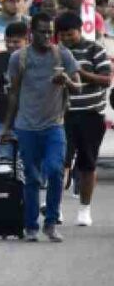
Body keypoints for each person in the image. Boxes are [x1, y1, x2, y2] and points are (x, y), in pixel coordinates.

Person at [2, 12, 81, 242]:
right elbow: (14, 94)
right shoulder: (19, 58)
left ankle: (51, 222)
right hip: (26, 127)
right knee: (32, 177)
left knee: (56, 170)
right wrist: (7, 126)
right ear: (31, 33)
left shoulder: (62, 54)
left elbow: (77, 87)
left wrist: (65, 80)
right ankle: (31, 226)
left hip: (54, 126)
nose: (47, 36)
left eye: (50, 32)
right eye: (42, 31)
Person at [54, 12, 109, 227]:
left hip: (91, 114)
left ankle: (84, 209)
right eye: (63, 35)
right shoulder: (56, 52)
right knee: (59, 163)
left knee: (88, 164)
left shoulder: (95, 49)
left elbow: (106, 80)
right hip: (62, 115)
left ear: (80, 30)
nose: (67, 39)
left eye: (70, 34)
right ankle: (55, 207)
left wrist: (80, 73)